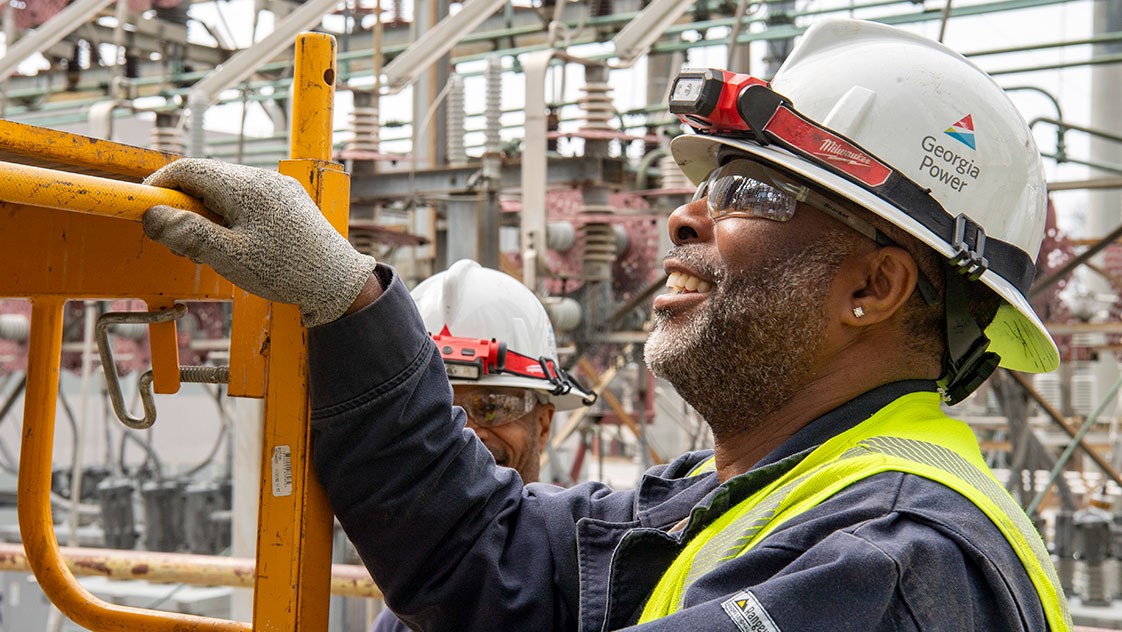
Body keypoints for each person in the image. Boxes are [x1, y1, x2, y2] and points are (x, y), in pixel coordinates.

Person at [141, 19, 1070, 632]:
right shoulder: (739, 498)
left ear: (873, 285)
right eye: (700, 185)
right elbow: (478, 550)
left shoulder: (892, 563)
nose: (682, 217)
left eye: (744, 193)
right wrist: (346, 298)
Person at [370, 259, 594, 632]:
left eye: (493, 406)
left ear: (542, 424)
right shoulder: (404, 608)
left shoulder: (584, 572)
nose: (466, 432)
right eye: (441, 412)